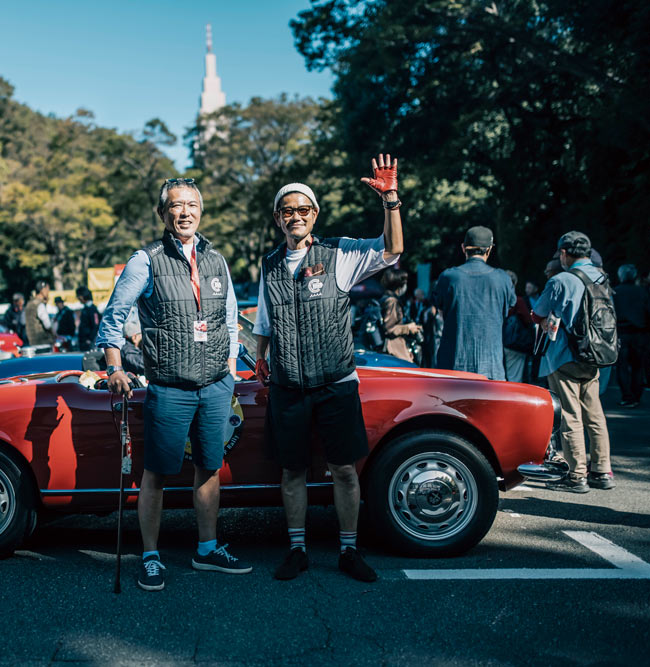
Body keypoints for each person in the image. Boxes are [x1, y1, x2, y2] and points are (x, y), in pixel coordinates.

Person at [253, 154, 404, 584]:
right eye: (288, 211)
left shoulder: (340, 254)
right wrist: (261, 356)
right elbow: (264, 320)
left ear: (314, 215)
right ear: (278, 220)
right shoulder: (268, 265)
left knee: (343, 469)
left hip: (336, 382)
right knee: (292, 472)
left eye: (303, 210)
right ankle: (297, 550)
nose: (296, 217)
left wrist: (390, 200)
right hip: (288, 386)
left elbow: (392, 249)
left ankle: (349, 550)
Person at [97, 176, 247, 592]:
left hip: (216, 385)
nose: (185, 212)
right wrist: (114, 367)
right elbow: (114, 316)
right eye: (176, 206)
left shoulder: (216, 259)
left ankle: (207, 548)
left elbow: (230, 318)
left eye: (192, 206)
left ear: (201, 211)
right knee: (156, 475)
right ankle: (149, 556)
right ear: (163, 214)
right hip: (169, 386)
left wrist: (230, 367)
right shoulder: (146, 260)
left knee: (209, 469)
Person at [531, 231, 614, 493]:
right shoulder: (601, 277)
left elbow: (539, 313)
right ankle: (601, 470)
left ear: (564, 253)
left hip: (564, 356)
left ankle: (576, 474)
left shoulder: (561, 280)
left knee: (570, 414)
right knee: (595, 412)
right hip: (595, 354)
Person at [431, 226, 516, 380]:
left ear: (464, 248)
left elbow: (440, 311)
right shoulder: (503, 279)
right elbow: (508, 309)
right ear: (489, 250)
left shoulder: (448, 277)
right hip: (491, 367)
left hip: (453, 365)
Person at [612, 264, 650, 407]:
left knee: (622, 366)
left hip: (621, 333)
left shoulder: (615, 292)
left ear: (621, 276)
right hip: (639, 333)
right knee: (638, 366)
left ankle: (627, 396)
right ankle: (636, 395)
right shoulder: (642, 292)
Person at [378, 268, 421, 363]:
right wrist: (408, 328)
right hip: (393, 348)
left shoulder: (385, 298)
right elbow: (389, 329)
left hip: (395, 346)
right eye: (405, 282)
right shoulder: (392, 301)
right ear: (399, 285)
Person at [502, 270, 535, 383]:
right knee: (514, 378)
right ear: (514, 284)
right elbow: (528, 320)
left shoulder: (494, 298)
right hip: (513, 344)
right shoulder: (518, 301)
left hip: (496, 343)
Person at [24, 281, 53, 346]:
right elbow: (47, 325)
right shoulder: (39, 305)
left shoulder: (29, 304)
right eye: (47, 289)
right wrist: (54, 335)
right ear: (42, 290)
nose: (48, 292)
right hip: (43, 342)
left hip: (32, 342)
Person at [75, 285, 100, 351]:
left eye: (79, 296)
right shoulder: (85, 309)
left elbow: (96, 326)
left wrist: (89, 339)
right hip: (83, 341)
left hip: (89, 342)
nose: (78, 298)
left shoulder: (92, 309)